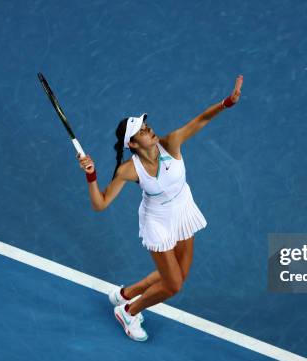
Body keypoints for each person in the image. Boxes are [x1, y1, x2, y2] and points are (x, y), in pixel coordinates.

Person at [77, 75, 243, 341]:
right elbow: (101, 204)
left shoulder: (171, 143)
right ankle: (129, 311)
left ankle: (125, 293)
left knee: (180, 272)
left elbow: (200, 120)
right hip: (158, 221)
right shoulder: (129, 170)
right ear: (132, 144)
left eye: (147, 126)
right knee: (173, 284)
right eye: (142, 131)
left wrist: (227, 102)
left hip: (183, 208)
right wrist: (91, 175)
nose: (149, 130)